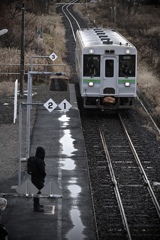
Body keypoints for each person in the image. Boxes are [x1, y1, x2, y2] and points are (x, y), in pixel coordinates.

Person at [31, 146, 46, 212]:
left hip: (33, 178)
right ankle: (36, 206)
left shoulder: (34, 160)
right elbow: (42, 171)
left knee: (36, 191)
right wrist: (44, 176)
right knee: (38, 191)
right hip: (39, 179)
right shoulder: (40, 161)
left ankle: (36, 205)